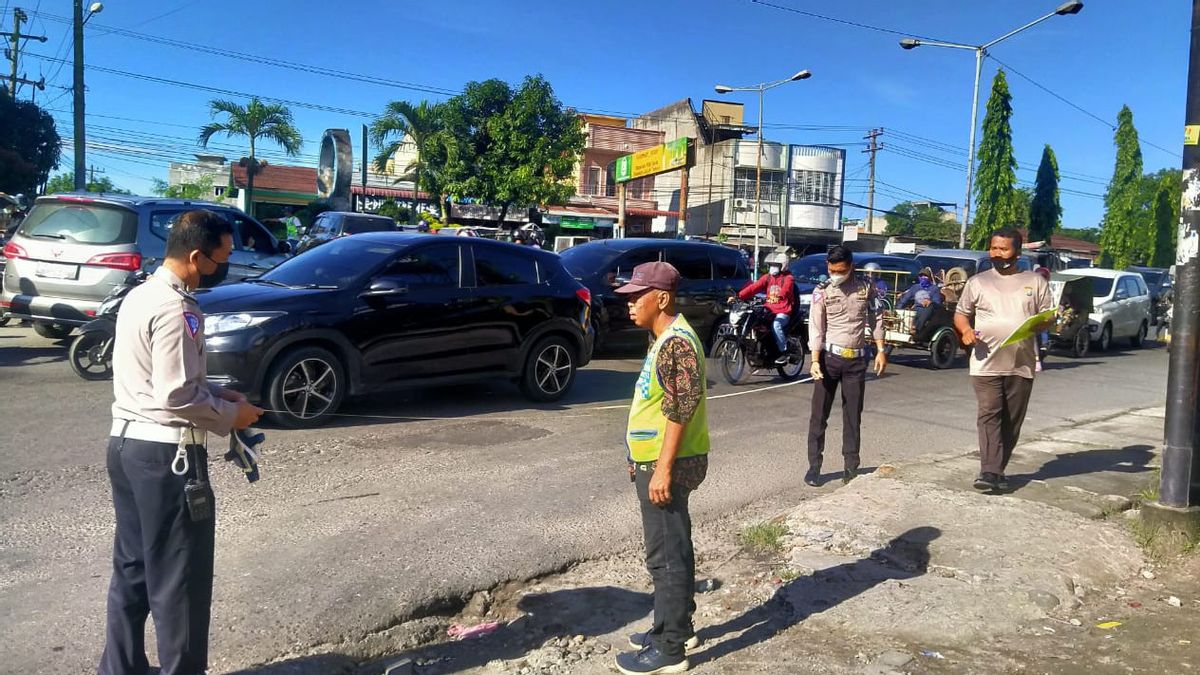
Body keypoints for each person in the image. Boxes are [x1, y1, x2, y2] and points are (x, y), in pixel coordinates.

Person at [100, 210, 263, 675]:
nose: (225, 265)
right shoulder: (179, 308)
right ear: (196, 256)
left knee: (133, 571)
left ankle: (121, 668)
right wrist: (235, 415)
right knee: (181, 582)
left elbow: (160, 379)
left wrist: (218, 393)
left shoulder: (141, 295)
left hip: (128, 447)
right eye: (222, 257)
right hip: (169, 457)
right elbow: (174, 395)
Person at [614, 261, 709, 675]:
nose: (631, 303)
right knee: (673, 547)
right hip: (656, 461)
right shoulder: (664, 339)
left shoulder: (676, 343)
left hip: (666, 464)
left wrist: (663, 469)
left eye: (638, 295)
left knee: (666, 555)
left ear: (663, 298)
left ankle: (670, 649)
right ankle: (673, 627)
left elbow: (679, 410)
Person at [955, 227, 1052, 493]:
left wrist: (1045, 322)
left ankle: (998, 469)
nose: (997, 253)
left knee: (1011, 421)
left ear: (1017, 252)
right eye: (994, 248)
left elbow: (1047, 316)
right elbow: (962, 314)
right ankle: (989, 472)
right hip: (984, 361)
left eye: (1003, 249)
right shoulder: (978, 282)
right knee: (989, 413)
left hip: (1021, 362)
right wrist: (965, 331)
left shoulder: (1035, 282)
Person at [806, 246, 887, 487]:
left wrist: (881, 350)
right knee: (818, 416)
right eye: (831, 270)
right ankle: (814, 467)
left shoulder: (865, 287)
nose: (835, 274)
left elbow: (877, 317)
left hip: (856, 361)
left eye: (840, 270)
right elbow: (816, 327)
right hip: (828, 360)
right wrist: (814, 360)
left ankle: (850, 467)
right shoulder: (822, 291)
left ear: (851, 266)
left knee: (853, 416)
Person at [733, 252, 796, 364]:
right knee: (755, 321)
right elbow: (753, 288)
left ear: (783, 266)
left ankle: (784, 352)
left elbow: (786, 289)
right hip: (769, 310)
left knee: (776, 325)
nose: (773, 268)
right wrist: (738, 296)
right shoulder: (767, 277)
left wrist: (780, 295)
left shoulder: (788, 278)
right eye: (771, 265)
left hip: (783, 311)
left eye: (776, 265)